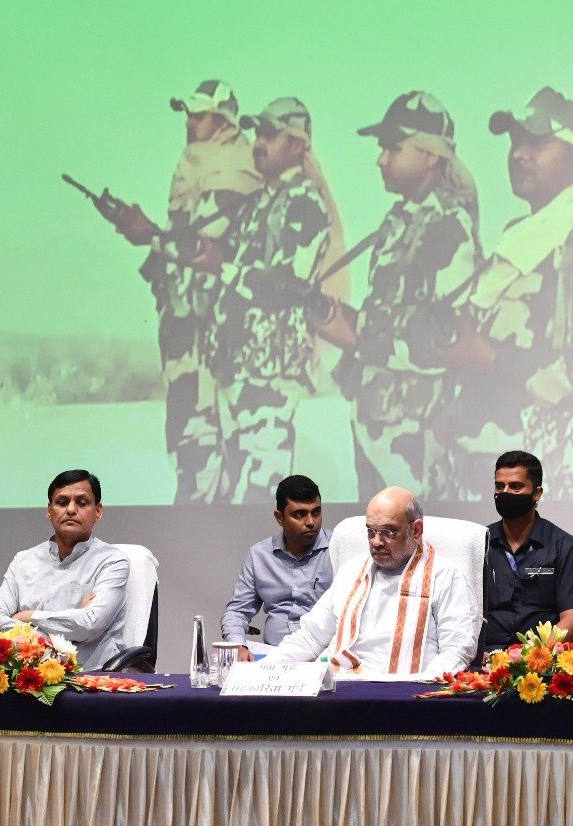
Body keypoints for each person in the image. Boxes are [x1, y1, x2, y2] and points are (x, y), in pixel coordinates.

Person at [446, 86, 573, 500]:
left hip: (553, 479)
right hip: (483, 467)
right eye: (515, 142)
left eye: (537, 143)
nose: (519, 153)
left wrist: (492, 361)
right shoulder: (518, 239)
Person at [314, 91, 479, 498]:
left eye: (393, 147)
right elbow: (389, 316)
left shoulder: (449, 227)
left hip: (418, 441)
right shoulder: (397, 222)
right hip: (378, 427)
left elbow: (445, 339)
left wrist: (359, 335)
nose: (381, 159)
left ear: (430, 154)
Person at [105, 80, 263, 503]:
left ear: (223, 120)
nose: (190, 122)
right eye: (188, 114)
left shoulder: (234, 170)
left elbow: (199, 246)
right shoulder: (200, 165)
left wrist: (148, 234)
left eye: (200, 115)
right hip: (186, 320)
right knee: (192, 437)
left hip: (213, 328)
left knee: (204, 441)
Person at [191, 97, 343, 503]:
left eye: (270, 135)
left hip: (271, 370)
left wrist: (224, 266)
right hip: (239, 367)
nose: (258, 143)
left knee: (261, 489)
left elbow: (291, 283)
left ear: (296, 144)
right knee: (236, 484)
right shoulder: (260, 202)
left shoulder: (306, 203)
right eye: (258, 133)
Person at [265, 486, 480, 677]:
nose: (376, 542)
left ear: (416, 530)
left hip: (403, 694)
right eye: (370, 531)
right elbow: (310, 636)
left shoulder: (445, 576)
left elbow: (457, 650)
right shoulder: (351, 571)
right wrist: (263, 671)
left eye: (388, 532)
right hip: (339, 688)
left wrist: (422, 691)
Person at [0, 470, 130, 671]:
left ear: (98, 511)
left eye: (82, 503)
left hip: (91, 676)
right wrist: (73, 620)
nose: (71, 509)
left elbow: (89, 624)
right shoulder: (23, 561)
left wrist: (28, 617)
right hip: (30, 677)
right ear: (49, 511)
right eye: (62, 502)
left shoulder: (112, 561)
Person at [483, 450, 573, 648]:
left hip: (541, 656)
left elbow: (572, 621)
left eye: (515, 486)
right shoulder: (479, 543)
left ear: (537, 493)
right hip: (484, 655)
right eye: (500, 486)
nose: (505, 493)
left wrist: (529, 653)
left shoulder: (564, 546)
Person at [220, 474, 334, 660]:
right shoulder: (259, 555)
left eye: (316, 512)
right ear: (279, 517)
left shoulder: (337, 549)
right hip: (274, 656)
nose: (311, 522)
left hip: (325, 657)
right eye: (299, 514)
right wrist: (238, 646)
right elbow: (237, 611)